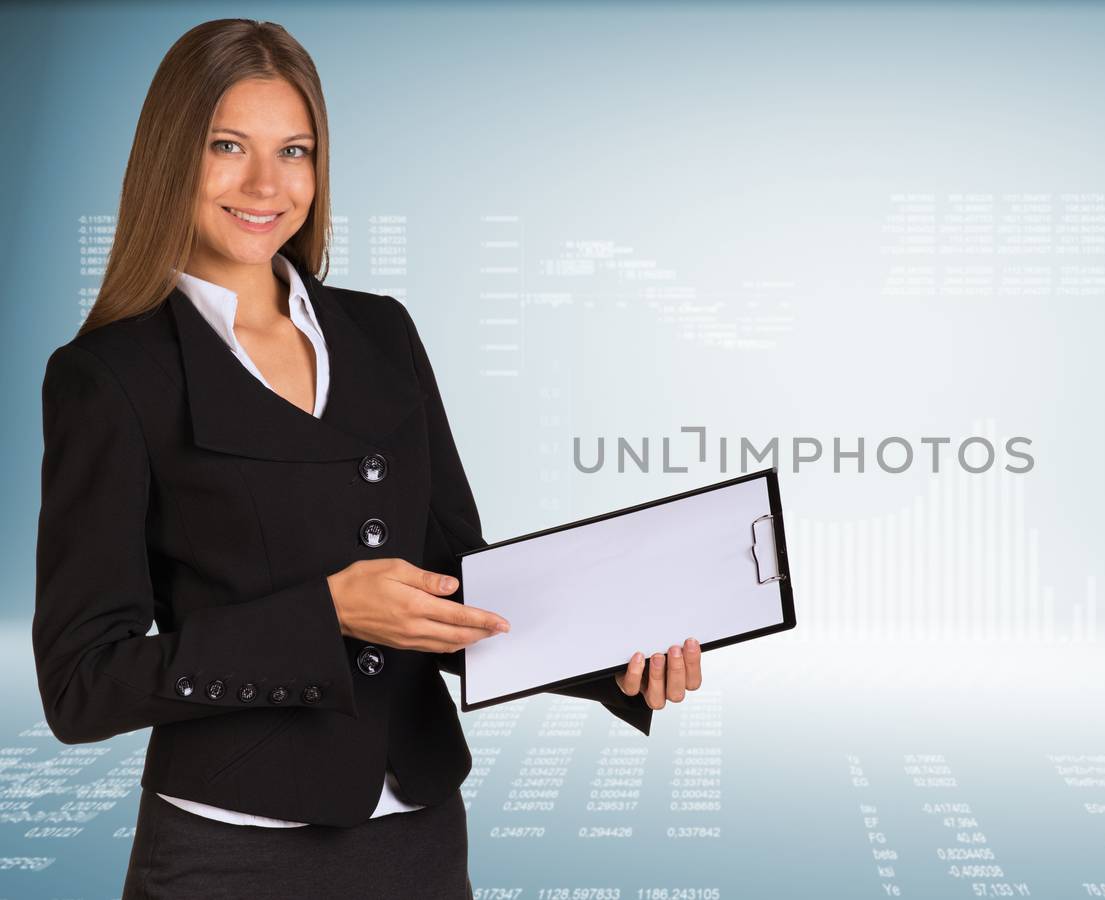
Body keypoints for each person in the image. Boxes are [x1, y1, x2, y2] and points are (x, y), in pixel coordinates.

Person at [31, 19, 702, 898]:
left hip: (419, 841)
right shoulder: (110, 377)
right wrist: (327, 616)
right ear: (170, 159)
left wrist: (612, 658)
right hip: (228, 858)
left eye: (295, 150)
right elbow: (83, 686)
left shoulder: (382, 332)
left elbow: (456, 588)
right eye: (227, 146)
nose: (266, 183)